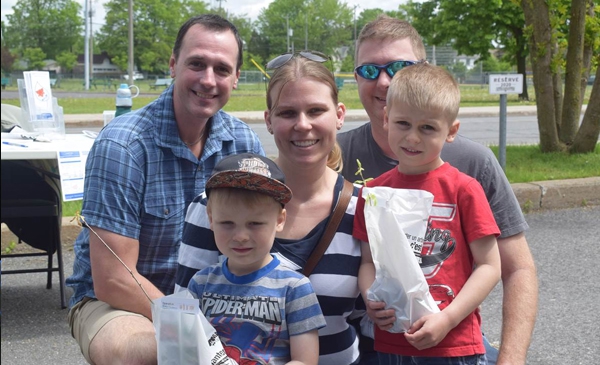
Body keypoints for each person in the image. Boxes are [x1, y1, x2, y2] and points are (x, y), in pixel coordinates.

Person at [337, 14, 538, 365]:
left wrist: (511, 359)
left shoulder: (470, 166)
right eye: (369, 70)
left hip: (454, 338)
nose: (384, 81)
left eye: (399, 66)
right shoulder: (335, 157)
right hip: (375, 342)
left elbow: (514, 268)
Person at [66, 14, 264, 365]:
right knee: (161, 353)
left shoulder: (243, 142)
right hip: (120, 303)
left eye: (221, 69)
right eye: (196, 64)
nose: (208, 79)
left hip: (215, 296)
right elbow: (114, 280)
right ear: (173, 65)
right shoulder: (123, 145)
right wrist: (195, 330)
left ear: (236, 77)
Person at [176, 53, 365, 364]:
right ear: (269, 120)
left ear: (340, 115)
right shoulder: (212, 206)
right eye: (288, 113)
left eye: (316, 110)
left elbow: (369, 320)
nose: (303, 125)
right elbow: (188, 322)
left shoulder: (363, 210)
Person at [354, 63, 501, 363]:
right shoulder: (373, 195)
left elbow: (490, 266)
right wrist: (371, 299)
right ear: (386, 119)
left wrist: (447, 319)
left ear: (452, 131)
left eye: (428, 128)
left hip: (454, 343)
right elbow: (369, 261)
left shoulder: (464, 190)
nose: (412, 138)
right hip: (393, 342)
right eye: (403, 124)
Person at [187, 153, 326, 365]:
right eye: (227, 223)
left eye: (255, 223)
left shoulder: (296, 288)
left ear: (279, 220)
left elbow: (304, 360)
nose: (241, 236)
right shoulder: (199, 284)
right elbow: (188, 349)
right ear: (211, 219)